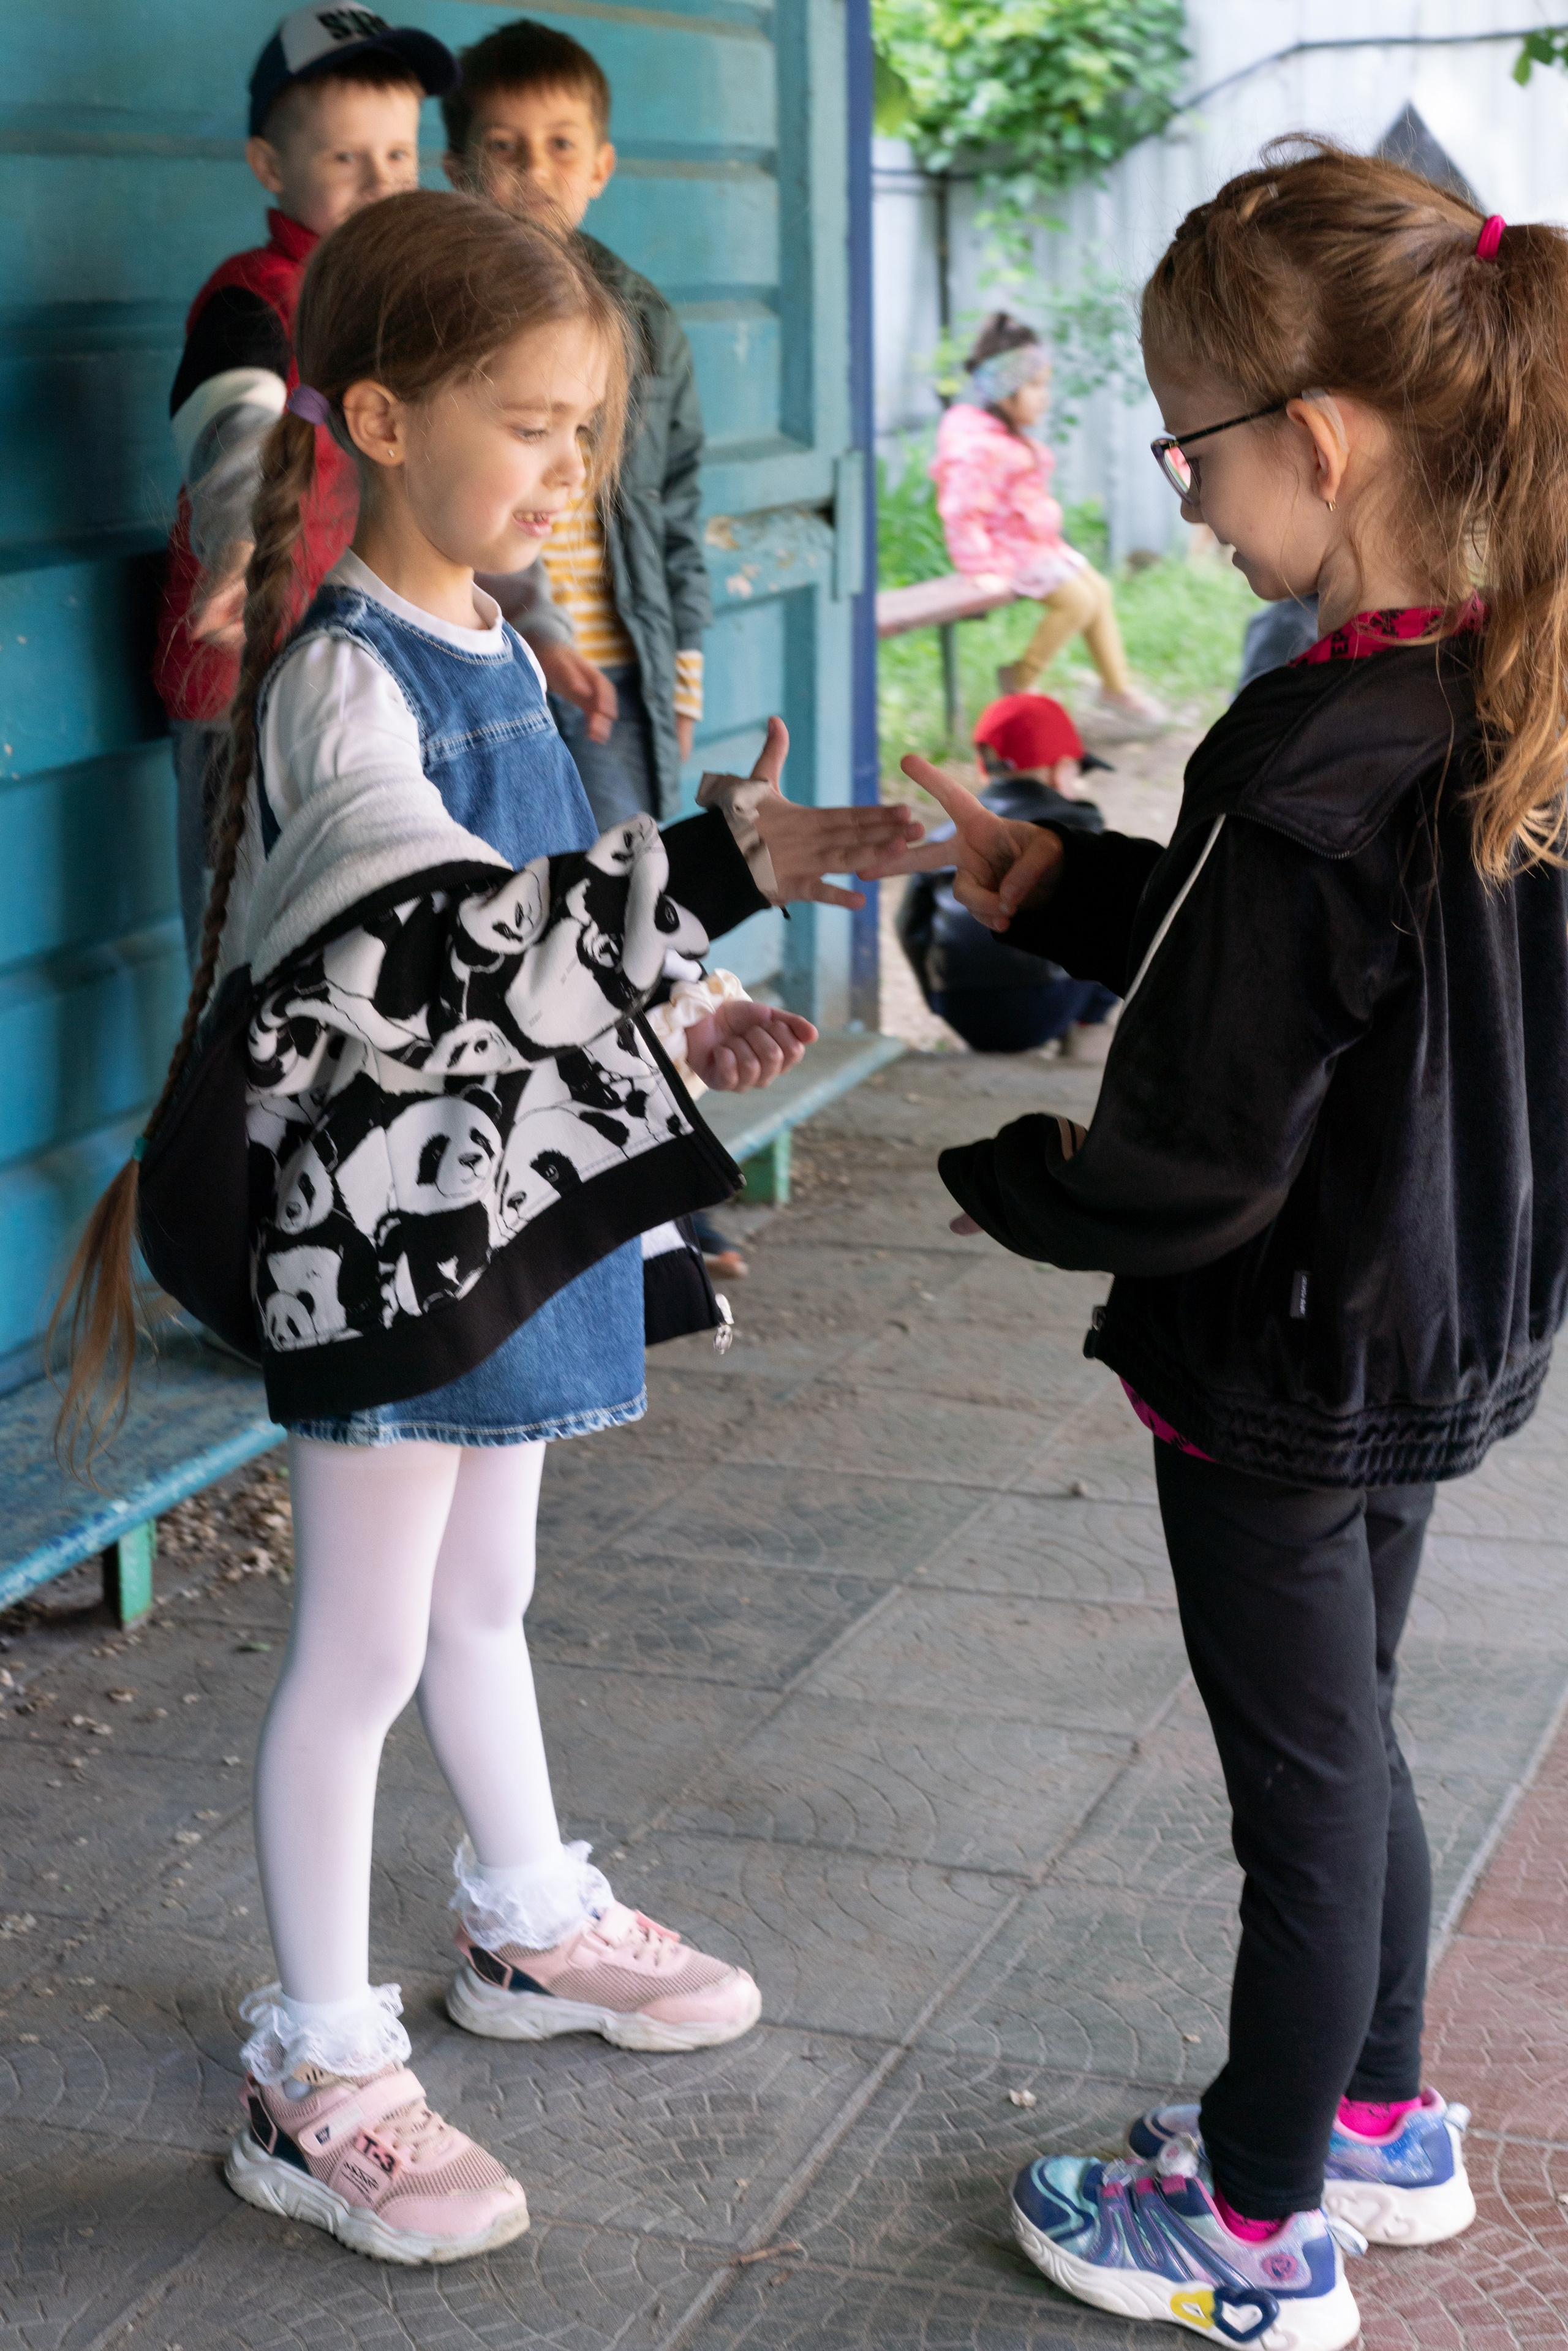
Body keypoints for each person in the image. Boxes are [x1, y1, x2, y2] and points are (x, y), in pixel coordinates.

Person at [57, 191, 918, 2267]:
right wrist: (712, 865)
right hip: (393, 1249)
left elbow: (551, 932)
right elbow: (447, 940)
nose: (566, 470)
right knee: (355, 1645)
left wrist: (693, 991)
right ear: (379, 414)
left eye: (585, 431)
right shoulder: (342, 687)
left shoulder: (513, 648)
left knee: (488, 1593)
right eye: (530, 424)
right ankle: (320, 2060)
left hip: (514, 1222)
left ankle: (524, 1918)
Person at [862, 148, 1568, 2346]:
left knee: (1301, 1789)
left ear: (1316, 441)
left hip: (1274, 1348)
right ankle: (1373, 2112)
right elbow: (1261, 962)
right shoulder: (1486, 681)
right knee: (1352, 1731)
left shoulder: (1306, 743)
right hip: (1442, 1318)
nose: (1173, 503)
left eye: (1183, 447)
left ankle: (1258, 2223)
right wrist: (1051, 883)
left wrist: (1010, 1182)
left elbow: (1202, 1127)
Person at [153, 3, 460, 964]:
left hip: (369, 683)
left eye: (400, 158)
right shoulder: (257, 295)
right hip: (245, 674)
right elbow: (236, 426)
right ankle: (215, 1115)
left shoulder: (407, 313)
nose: (381, 184)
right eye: (346, 160)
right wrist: (240, 540)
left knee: (361, 945)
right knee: (241, 954)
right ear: (270, 166)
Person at [442, 18, 709, 828]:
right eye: (505, 147)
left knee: (621, 890)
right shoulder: (435, 313)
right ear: (457, 171)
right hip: (484, 665)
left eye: (562, 145)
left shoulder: (643, 321)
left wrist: (682, 674)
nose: (535, 170)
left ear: (600, 166)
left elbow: (677, 503)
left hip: (614, 671)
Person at [930, 313, 1164, 739]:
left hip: (1032, 547)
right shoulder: (979, 448)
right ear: (1004, 392)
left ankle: (1116, 688)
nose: (1045, 397)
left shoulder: (1008, 439)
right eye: (1035, 386)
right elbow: (960, 511)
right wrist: (979, 567)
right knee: (1076, 601)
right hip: (1002, 555)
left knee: (1098, 590)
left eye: (1045, 385)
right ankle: (1019, 679)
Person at [896, 694, 1118, 1056]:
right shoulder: (1080, 833)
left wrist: (937, 996)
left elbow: (910, 925)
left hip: (961, 1006)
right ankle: (1087, 1028)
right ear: (1061, 770)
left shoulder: (949, 837)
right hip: (1051, 1006)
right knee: (1114, 902)